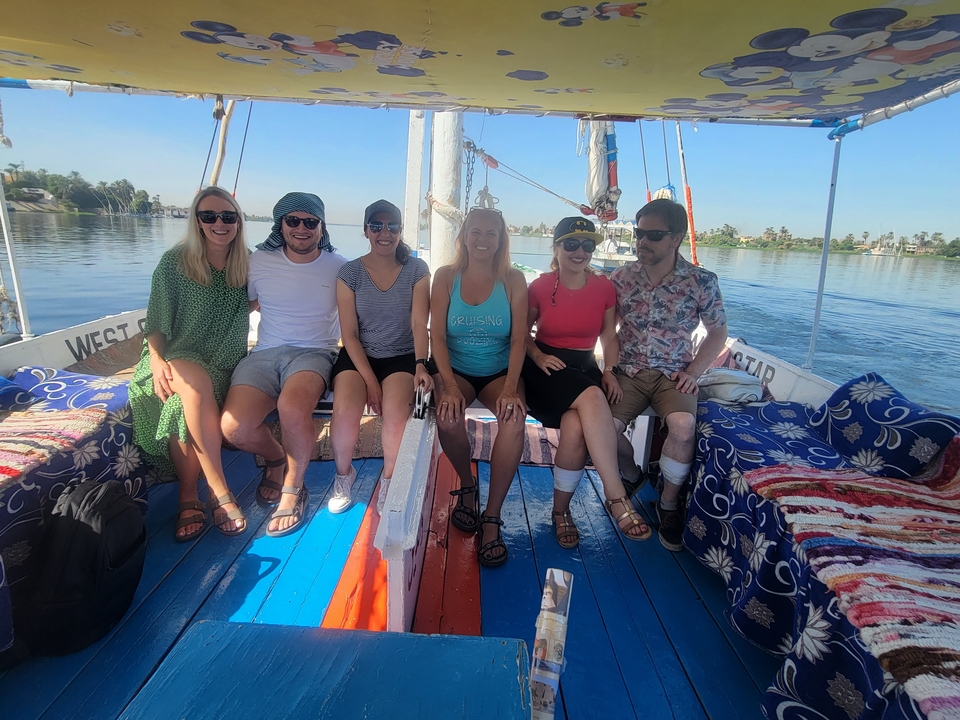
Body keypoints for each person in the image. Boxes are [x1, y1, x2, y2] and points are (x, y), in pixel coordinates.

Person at [129, 186, 251, 541]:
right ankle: (218, 490)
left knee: (182, 407)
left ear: (238, 222)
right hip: (177, 355)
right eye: (208, 216)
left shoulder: (247, 264)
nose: (219, 223)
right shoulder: (175, 263)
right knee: (194, 389)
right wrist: (155, 360)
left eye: (228, 216)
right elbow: (156, 321)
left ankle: (186, 496)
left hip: (224, 362)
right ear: (197, 221)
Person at [221, 192, 346, 537]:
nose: (301, 228)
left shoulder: (340, 266)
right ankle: (276, 459)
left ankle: (293, 488)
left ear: (321, 226)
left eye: (310, 221)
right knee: (233, 428)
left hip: (314, 353)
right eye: (293, 221)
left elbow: (359, 313)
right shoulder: (258, 262)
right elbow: (242, 306)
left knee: (291, 407)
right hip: (264, 354)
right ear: (281, 225)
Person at [523, 217, 651, 549]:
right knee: (592, 396)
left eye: (587, 245)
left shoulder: (604, 287)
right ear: (556, 248)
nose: (580, 251)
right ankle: (617, 496)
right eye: (571, 244)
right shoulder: (539, 287)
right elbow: (521, 334)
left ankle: (560, 512)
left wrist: (610, 370)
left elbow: (608, 335)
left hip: (584, 366)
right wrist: (538, 356)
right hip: (545, 367)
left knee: (576, 427)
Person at [610, 199, 728, 552]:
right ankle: (633, 474)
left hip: (674, 374)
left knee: (683, 425)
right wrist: (607, 370)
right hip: (629, 371)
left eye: (653, 235)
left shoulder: (701, 281)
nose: (642, 241)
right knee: (603, 429)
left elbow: (718, 332)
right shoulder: (621, 278)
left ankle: (669, 504)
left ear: (676, 238)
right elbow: (606, 330)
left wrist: (694, 372)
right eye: (639, 233)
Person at [430, 207, 527, 568]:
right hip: (455, 369)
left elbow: (519, 339)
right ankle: (467, 485)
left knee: (514, 421)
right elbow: (437, 336)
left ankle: (492, 515)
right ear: (464, 237)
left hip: (499, 372)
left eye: (490, 233)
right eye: (475, 232)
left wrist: (511, 388)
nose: (482, 240)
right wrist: (449, 386)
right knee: (447, 417)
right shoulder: (445, 276)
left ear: (501, 240)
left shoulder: (514, 279)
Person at [328, 200, 432, 515]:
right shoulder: (350, 272)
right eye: (376, 226)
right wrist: (371, 382)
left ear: (400, 231)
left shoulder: (417, 270)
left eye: (392, 226)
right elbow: (349, 334)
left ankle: (390, 479)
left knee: (399, 415)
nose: (384, 233)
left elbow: (419, 324)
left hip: (402, 356)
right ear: (366, 231)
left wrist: (421, 365)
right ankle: (343, 475)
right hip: (359, 355)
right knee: (344, 410)